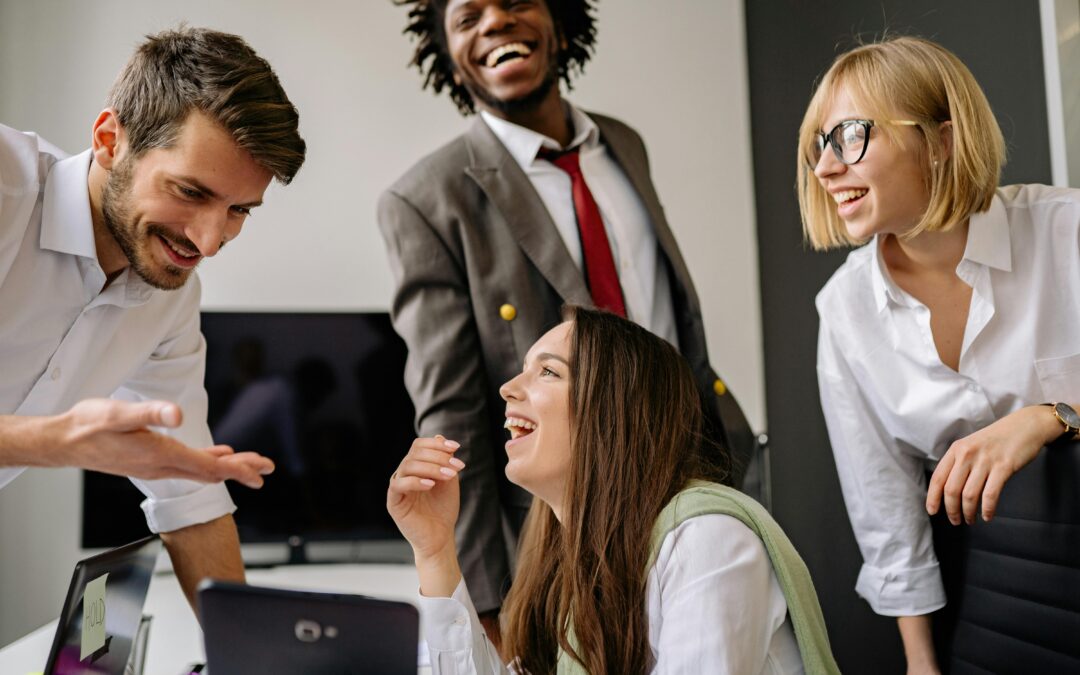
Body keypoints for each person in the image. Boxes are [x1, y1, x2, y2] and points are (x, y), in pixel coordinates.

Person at [379, 0, 757, 642]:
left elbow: (670, 320)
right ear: (448, 56)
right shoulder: (426, 199)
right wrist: (489, 604)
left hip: (698, 472)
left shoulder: (623, 144)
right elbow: (453, 414)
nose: (495, 22)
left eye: (516, 2)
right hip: (572, 529)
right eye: (468, 17)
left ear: (558, 20)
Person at [798, 36, 1080, 672]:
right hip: (987, 605)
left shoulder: (1068, 231)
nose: (825, 168)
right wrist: (922, 666)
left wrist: (1048, 417)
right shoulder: (844, 309)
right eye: (820, 144)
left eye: (849, 136)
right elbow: (886, 511)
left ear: (941, 138)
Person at [0, 26, 305, 608]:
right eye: (190, 191)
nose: (210, 242)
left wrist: (247, 654)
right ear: (111, 140)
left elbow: (191, 503)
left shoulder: (169, 300)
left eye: (239, 210)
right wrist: (58, 441)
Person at [388, 306, 836, 674]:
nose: (508, 388)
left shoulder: (705, 542)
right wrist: (435, 552)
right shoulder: (570, 574)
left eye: (547, 372)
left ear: (612, 411)